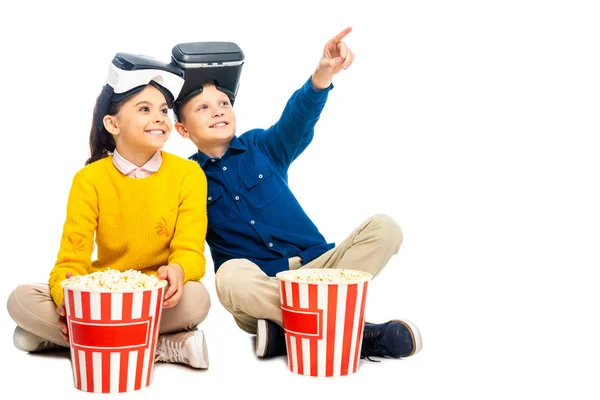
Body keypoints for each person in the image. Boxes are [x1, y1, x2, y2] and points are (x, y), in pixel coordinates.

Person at [174, 27, 422, 359]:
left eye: (223, 102)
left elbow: (297, 120)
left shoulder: (261, 146)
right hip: (262, 289)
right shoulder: (185, 179)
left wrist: (321, 76)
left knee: (385, 227)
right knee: (229, 275)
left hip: (321, 269)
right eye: (203, 108)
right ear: (182, 129)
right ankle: (355, 333)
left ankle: (286, 332)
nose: (218, 110)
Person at [7, 53, 211, 369]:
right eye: (144, 109)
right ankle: (162, 345)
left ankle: (68, 339)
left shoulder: (189, 175)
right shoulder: (89, 179)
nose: (159, 117)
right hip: (100, 296)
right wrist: (66, 300)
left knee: (197, 299)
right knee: (20, 298)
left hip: (154, 297)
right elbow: (69, 262)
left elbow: (191, 252)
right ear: (112, 123)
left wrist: (180, 271)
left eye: (163, 110)